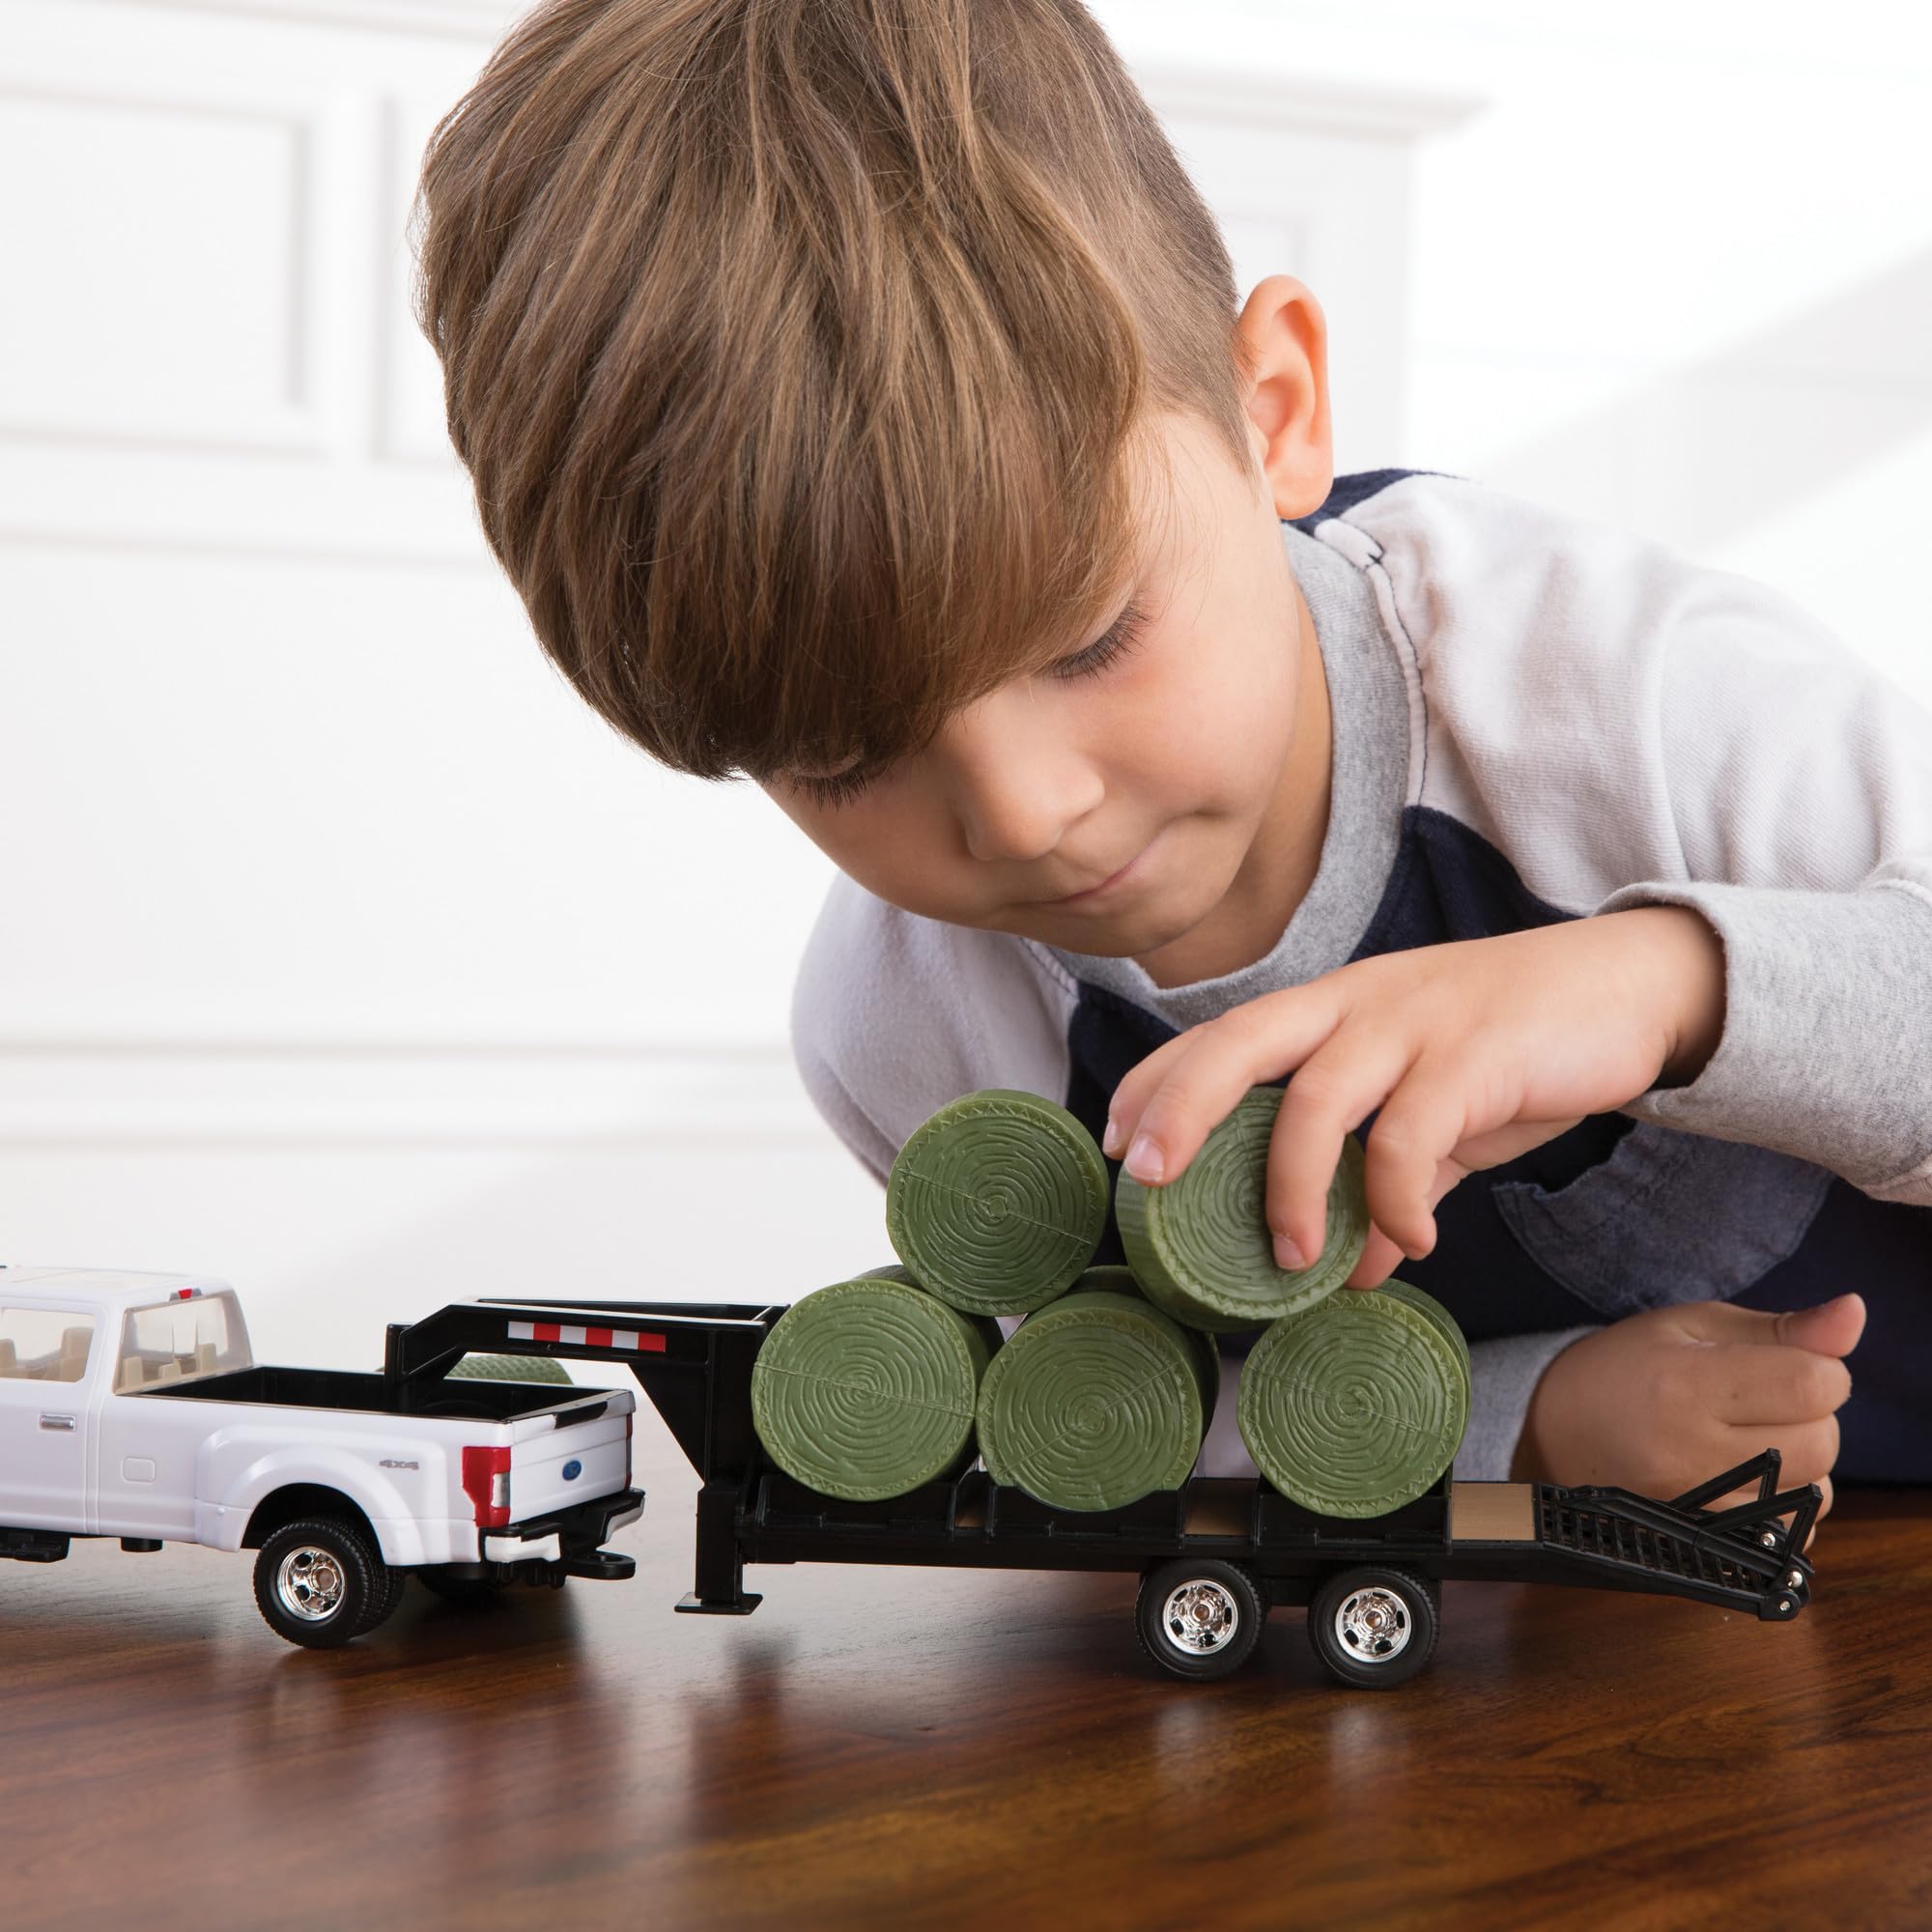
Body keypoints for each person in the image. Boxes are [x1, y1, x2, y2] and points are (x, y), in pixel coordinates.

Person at [409, 0, 1929, 1520]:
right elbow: (1111, 1419)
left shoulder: (1608, 684)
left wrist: (1656, 987)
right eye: (846, 757)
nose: (1024, 810)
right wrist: (1521, 1426)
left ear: (1274, 412)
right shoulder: (907, 1035)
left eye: (1086, 641)